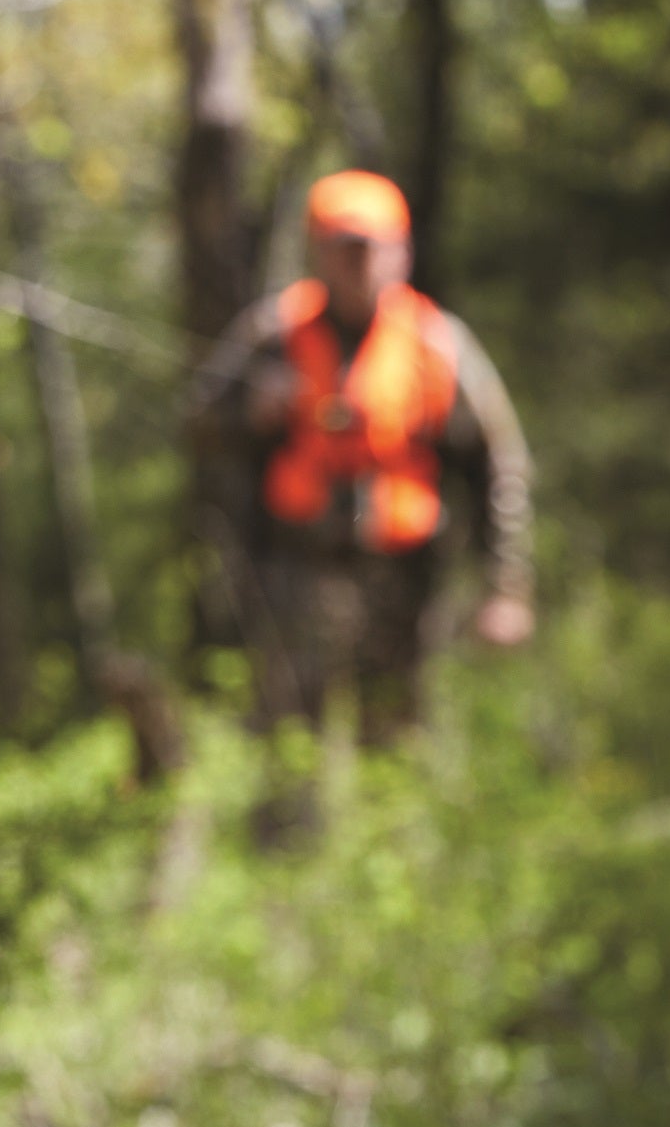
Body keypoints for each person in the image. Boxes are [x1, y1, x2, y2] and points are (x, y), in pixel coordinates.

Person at [210, 170, 534, 749]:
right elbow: (199, 422)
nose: (361, 264)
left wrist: (505, 588)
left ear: (402, 251)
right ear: (318, 251)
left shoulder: (438, 344)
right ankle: (291, 841)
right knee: (288, 745)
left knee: (397, 740)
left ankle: (393, 838)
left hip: (404, 581)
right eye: (345, 249)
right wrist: (252, 415)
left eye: (374, 248)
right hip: (294, 572)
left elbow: (499, 465)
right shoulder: (274, 333)